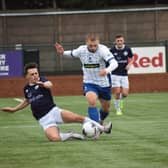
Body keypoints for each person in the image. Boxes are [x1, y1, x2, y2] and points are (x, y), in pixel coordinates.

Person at [0, 62, 112, 142]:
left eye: (36, 73)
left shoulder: (42, 80)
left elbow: (50, 85)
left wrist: (41, 83)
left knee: (79, 118)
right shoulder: (26, 89)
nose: (35, 76)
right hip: (44, 120)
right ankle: (71, 134)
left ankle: (103, 128)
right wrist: (14, 109)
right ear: (26, 76)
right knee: (54, 138)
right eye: (32, 74)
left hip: (54, 111)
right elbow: (27, 100)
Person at [55, 34, 118, 124]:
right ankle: (96, 127)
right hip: (89, 82)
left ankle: (101, 121)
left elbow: (115, 63)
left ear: (98, 43)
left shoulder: (103, 50)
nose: (93, 47)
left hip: (104, 83)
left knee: (106, 109)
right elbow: (72, 54)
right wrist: (62, 52)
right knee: (91, 101)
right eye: (90, 45)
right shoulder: (81, 50)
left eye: (95, 45)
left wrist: (107, 70)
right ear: (86, 43)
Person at [110, 34, 134, 115]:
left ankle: (120, 100)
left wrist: (129, 64)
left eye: (121, 41)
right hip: (114, 74)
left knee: (125, 94)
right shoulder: (112, 50)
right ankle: (118, 109)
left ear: (123, 41)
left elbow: (131, 58)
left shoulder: (128, 49)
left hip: (124, 74)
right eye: (118, 41)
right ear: (115, 42)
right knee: (117, 92)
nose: (119, 42)